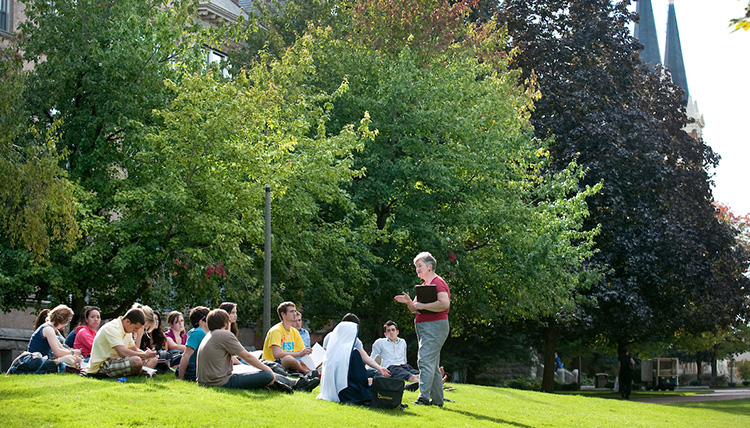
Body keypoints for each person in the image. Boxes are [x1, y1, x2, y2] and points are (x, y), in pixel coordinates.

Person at [196, 309, 319, 393]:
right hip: (221, 382)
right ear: (225, 323)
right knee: (266, 374)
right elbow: (247, 357)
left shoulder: (210, 335)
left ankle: (296, 383)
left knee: (261, 367)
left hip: (207, 381)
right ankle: (296, 384)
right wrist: (268, 371)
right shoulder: (224, 335)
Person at [394, 251, 450, 407]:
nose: (417, 269)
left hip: (435, 327)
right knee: (431, 363)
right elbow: (415, 309)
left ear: (430, 267)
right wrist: (408, 302)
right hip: (425, 328)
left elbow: (444, 304)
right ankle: (438, 401)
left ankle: (423, 398)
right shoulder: (425, 286)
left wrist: (422, 306)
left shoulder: (438, 283)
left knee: (424, 360)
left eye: (420, 266)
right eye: (416, 266)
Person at [317, 313, 390, 404]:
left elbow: (365, 357)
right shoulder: (354, 352)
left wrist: (379, 368)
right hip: (350, 386)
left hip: (332, 381)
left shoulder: (332, 337)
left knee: (374, 373)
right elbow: (360, 377)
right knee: (374, 379)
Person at [86, 308, 158, 377]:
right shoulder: (112, 328)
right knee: (136, 361)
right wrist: (145, 356)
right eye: (135, 328)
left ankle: (141, 371)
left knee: (151, 360)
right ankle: (142, 371)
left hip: (115, 361)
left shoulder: (127, 329)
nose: (135, 331)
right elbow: (122, 352)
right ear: (127, 321)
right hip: (101, 365)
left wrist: (148, 355)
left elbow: (134, 349)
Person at [261, 301, 312, 374]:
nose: (294, 314)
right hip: (272, 364)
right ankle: (305, 373)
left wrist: (306, 353)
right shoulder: (276, 331)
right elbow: (277, 354)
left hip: (286, 364)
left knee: (305, 361)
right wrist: (299, 354)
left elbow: (302, 351)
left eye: (295, 311)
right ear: (283, 314)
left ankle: (310, 371)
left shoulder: (294, 332)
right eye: (291, 312)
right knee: (288, 359)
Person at [370, 320, 420, 387]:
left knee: (419, 373)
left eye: (393, 330)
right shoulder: (380, 343)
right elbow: (373, 359)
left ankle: (418, 383)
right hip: (390, 368)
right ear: (385, 334)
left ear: (397, 332)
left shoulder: (402, 342)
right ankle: (415, 382)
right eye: (388, 330)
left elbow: (404, 359)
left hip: (403, 366)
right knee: (413, 377)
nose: (391, 332)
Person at [177, 306, 210, 381]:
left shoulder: (203, 333)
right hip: (193, 370)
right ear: (201, 322)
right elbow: (186, 355)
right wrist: (180, 378)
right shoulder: (197, 332)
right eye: (209, 319)